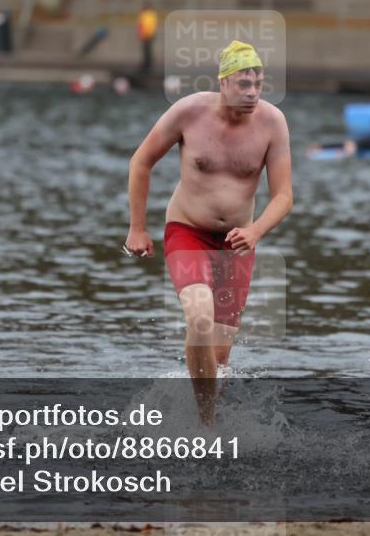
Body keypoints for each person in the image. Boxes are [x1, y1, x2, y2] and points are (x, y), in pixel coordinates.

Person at [125, 40, 293, 425]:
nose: (252, 93)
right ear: (223, 82)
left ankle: (195, 413)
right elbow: (141, 162)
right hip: (188, 231)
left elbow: (284, 196)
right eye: (243, 84)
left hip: (237, 243)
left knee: (219, 357)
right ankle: (206, 426)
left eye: (258, 84)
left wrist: (256, 230)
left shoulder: (273, 122)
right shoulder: (188, 112)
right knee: (199, 317)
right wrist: (137, 228)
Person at [137, 2, 158, 76]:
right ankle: (146, 64)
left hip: (149, 35)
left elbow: (152, 25)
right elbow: (140, 25)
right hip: (144, 35)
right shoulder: (143, 14)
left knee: (148, 50)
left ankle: (148, 65)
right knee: (145, 50)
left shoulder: (151, 14)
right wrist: (141, 34)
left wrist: (150, 33)